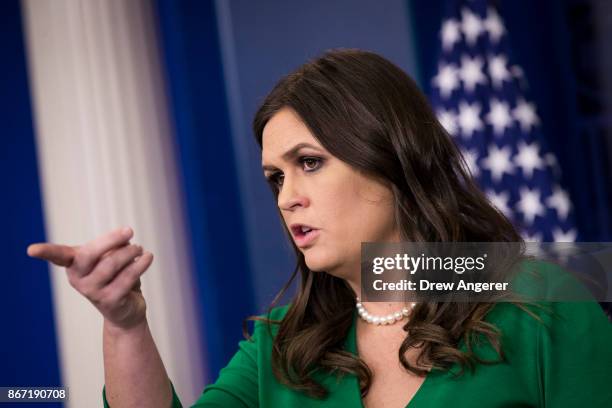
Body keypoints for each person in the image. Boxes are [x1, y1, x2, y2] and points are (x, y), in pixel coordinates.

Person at [28, 49, 612, 407]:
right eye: (275, 178)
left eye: (309, 163)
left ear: (390, 155)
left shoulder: (542, 304)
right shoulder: (281, 347)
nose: (288, 198)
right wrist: (125, 324)